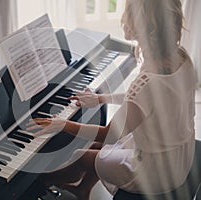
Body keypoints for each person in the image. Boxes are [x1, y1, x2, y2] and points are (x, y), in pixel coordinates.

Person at [26, 0, 196, 199]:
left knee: (80, 156)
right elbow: (149, 101)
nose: (123, 19)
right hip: (178, 158)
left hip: (153, 172)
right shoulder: (181, 57)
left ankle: (39, 186)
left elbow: (109, 135)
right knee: (101, 149)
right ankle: (84, 189)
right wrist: (100, 98)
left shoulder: (147, 83)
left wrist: (63, 124)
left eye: (127, 14)